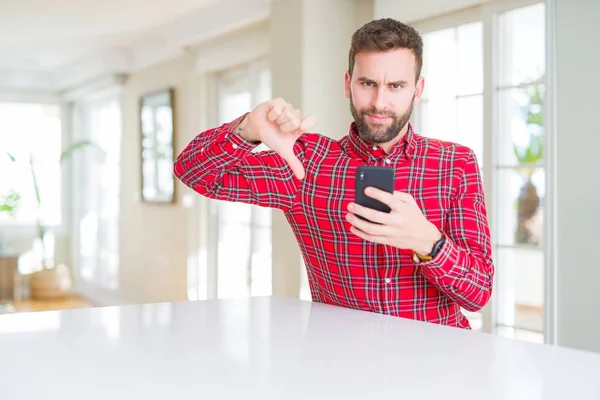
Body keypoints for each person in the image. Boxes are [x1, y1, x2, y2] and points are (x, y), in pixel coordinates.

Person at [174, 18, 494, 329]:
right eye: (367, 83)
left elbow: (477, 294)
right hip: (341, 365)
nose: (379, 102)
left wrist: (428, 240)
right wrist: (246, 130)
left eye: (396, 86)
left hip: (438, 364)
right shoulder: (306, 162)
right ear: (348, 84)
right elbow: (194, 172)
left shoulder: (455, 163)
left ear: (417, 89)